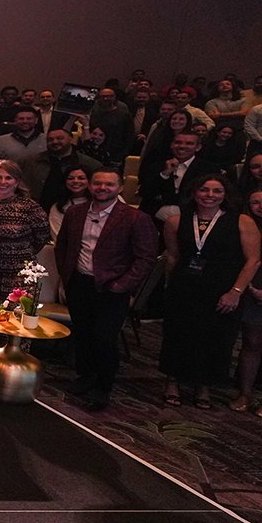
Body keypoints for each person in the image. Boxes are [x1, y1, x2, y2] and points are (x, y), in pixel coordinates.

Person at [54, 167, 159, 411]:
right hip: (80, 283)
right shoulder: (75, 212)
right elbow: (62, 246)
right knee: (83, 334)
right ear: (90, 186)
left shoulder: (135, 218)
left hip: (112, 287)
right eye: (98, 183)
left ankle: (103, 386)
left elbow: (146, 258)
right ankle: (85, 376)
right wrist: (67, 275)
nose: (102, 188)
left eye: (109, 184)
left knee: (104, 338)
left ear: (120, 187)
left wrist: (123, 284)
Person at [159, 173, 261, 408]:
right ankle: (172, 382)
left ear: (225, 195)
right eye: (204, 190)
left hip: (223, 290)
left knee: (215, 338)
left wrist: (236, 291)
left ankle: (203, 386)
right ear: (194, 192)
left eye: (217, 191)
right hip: (184, 287)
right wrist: (170, 285)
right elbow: (173, 256)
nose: (210, 195)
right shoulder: (176, 221)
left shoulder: (242, 221)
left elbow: (253, 261)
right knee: (178, 335)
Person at [0, 160, 51, 305]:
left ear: (17, 182)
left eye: (8, 178)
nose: (3, 182)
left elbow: (42, 236)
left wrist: (20, 252)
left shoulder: (30, 207)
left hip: (20, 273)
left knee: (16, 315)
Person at [231, 188, 262, 415]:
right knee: (252, 343)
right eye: (255, 202)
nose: (261, 207)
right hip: (251, 290)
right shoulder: (242, 227)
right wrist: (249, 287)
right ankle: (245, 394)